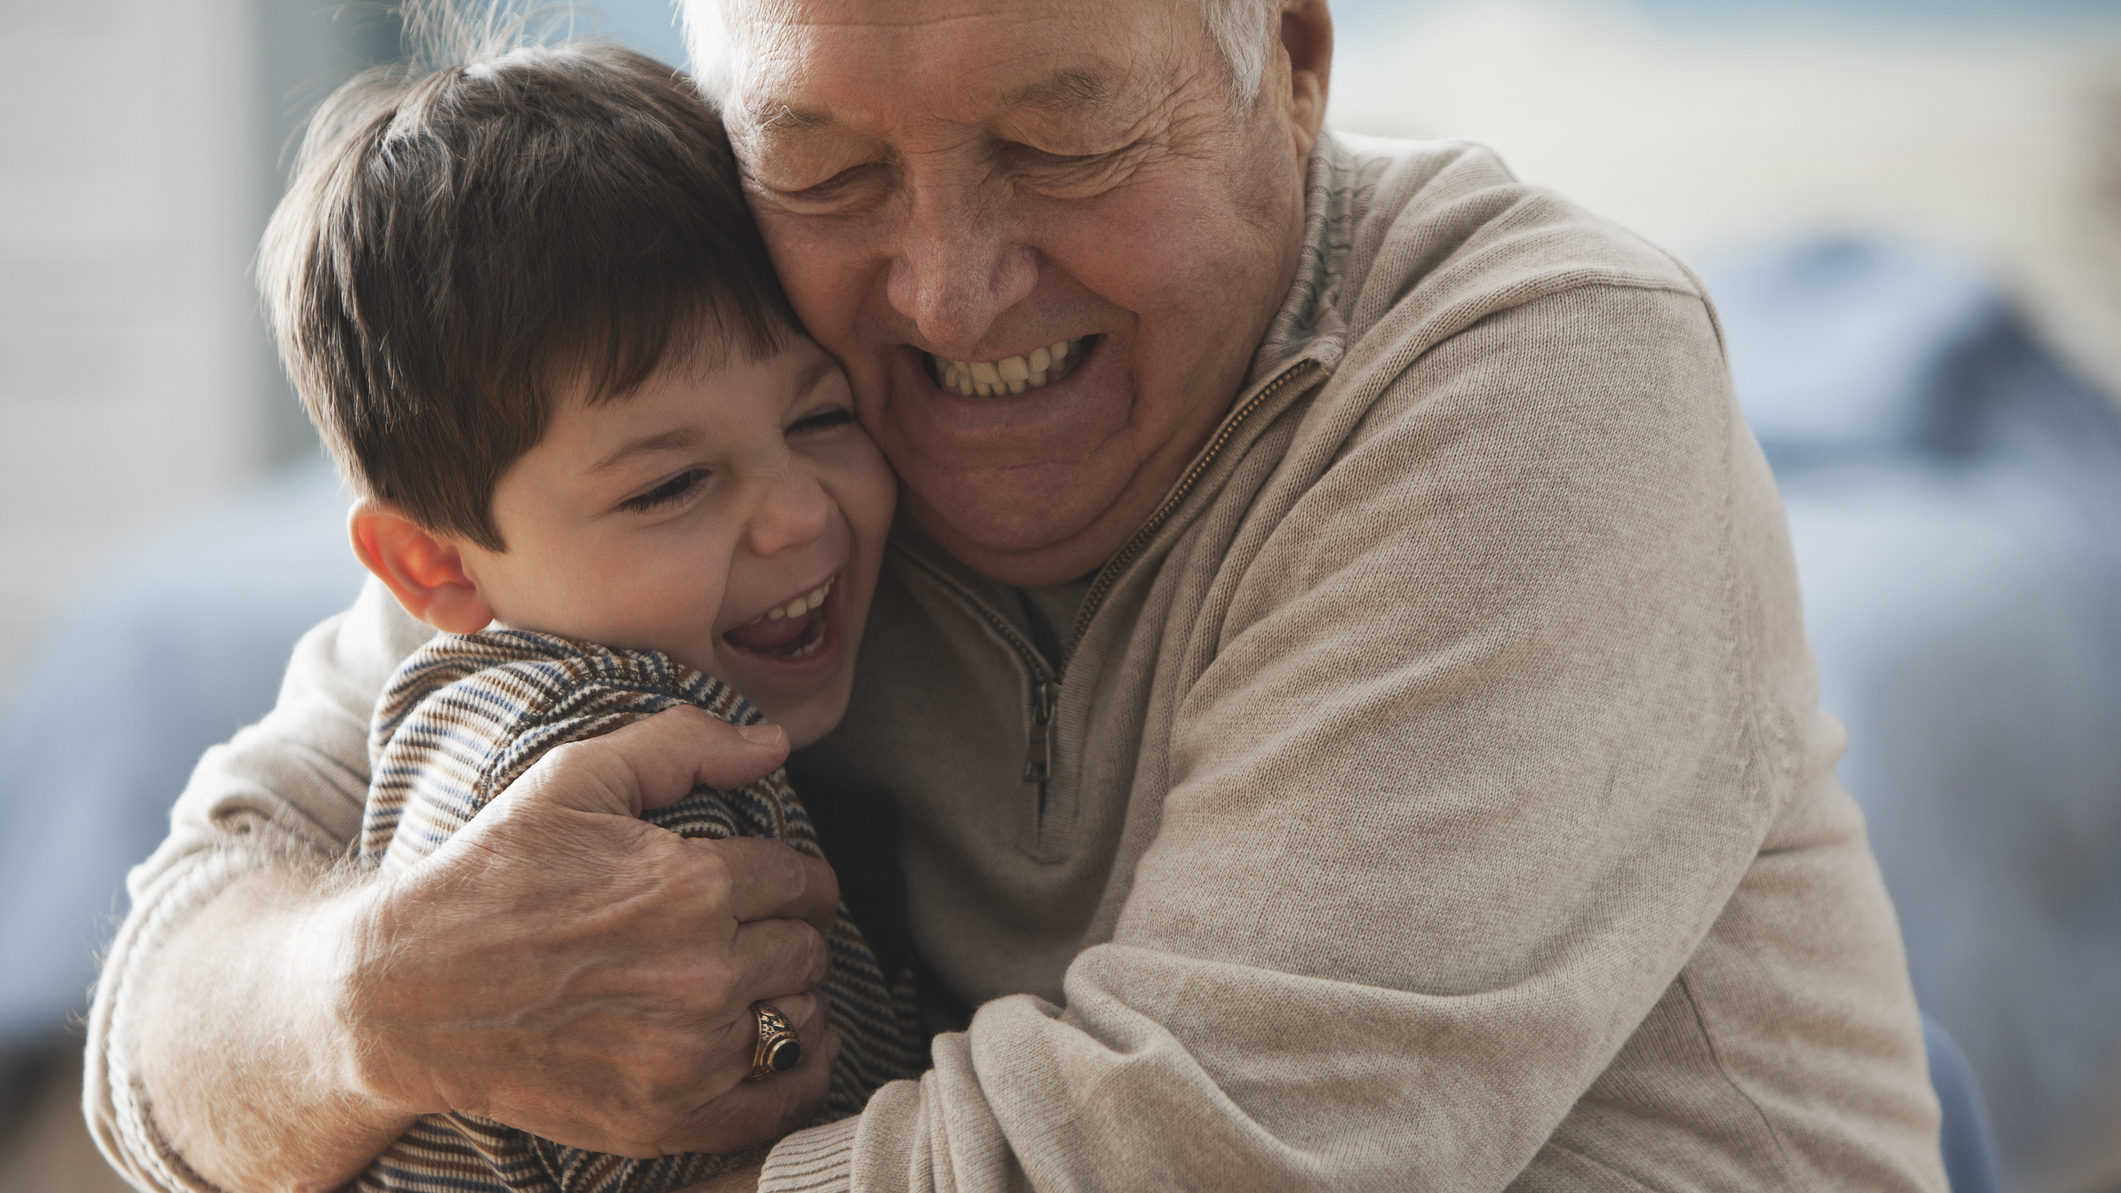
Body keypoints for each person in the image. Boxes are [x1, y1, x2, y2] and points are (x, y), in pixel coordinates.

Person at [85, 1, 1952, 1190]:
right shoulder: (731, 393)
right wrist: (366, 998)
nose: (949, 294)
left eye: (1061, 144)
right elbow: (174, 1000)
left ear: (1291, 68)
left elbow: (1188, 1160)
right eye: (821, 167)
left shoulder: (1541, 374)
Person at [250, 34, 920, 1190]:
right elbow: (738, 1094)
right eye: (669, 484)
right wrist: (783, 1042)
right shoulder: (611, 777)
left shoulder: (506, 687)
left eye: (820, 417)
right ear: (431, 564)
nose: (798, 515)